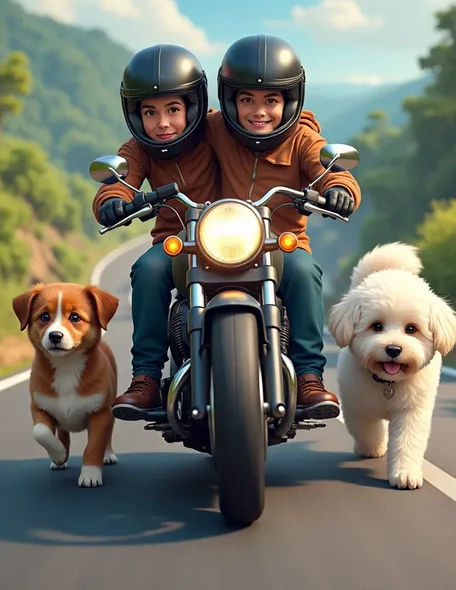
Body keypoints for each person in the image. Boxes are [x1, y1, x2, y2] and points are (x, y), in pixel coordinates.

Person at [205, 34, 362, 419]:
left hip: (283, 246)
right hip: (216, 243)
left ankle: (309, 375)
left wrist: (339, 188)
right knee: (163, 273)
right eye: (247, 100)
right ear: (230, 100)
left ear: (289, 100)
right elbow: (166, 138)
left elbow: (332, 170)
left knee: (306, 272)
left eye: (271, 100)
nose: (259, 111)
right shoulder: (212, 129)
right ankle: (151, 375)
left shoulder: (303, 139)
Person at [92, 43, 221, 420]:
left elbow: (260, 120)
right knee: (146, 270)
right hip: (176, 243)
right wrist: (112, 200)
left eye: (173, 110)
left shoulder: (218, 130)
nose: (162, 122)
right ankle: (146, 378)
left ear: (193, 107)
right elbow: (119, 180)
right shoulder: (138, 149)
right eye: (150, 112)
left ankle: (305, 371)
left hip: (235, 239)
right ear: (136, 114)